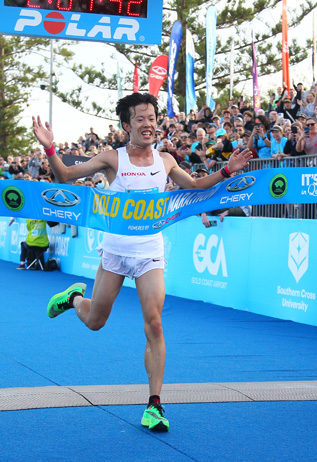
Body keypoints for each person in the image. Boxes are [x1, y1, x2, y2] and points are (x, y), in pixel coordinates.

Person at [32, 92, 253, 432]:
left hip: (150, 251)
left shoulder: (165, 160)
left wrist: (226, 170)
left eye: (152, 118)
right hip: (116, 253)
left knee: (155, 324)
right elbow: (64, 176)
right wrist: (49, 148)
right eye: (140, 119)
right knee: (95, 321)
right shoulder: (112, 158)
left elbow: (194, 186)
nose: (148, 124)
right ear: (127, 125)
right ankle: (74, 298)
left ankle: (154, 406)